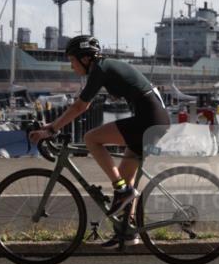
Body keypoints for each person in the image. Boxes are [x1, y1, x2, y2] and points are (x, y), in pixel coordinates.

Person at [28, 35, 170, 246]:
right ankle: (127, 232)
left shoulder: (100, 69)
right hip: (155, 120)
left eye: (72, 60)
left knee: (91, 138)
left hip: (149, 120)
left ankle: (122, 190)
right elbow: (81, 101)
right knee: (124, 175)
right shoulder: (104, 68)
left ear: (86, 58)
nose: (71, 66)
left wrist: (51, 128)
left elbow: (80, 107)